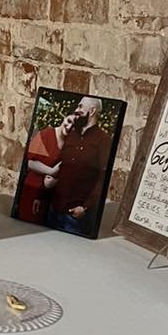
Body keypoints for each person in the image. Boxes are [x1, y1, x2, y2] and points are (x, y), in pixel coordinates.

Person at [46, 96, 112, 236]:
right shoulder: (72, 135)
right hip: (53, 209)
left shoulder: (104, 140)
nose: (77, 109)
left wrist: (85, 207)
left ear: (92, 111)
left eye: (81, 106)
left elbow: (103, 178)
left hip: (74, 217)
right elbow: (61, 164)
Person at [16, 110, 77, 224]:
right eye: (69, 121)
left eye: (74, 126)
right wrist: (51, 171)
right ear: (64, 117)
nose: (69, 127)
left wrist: (56, 181)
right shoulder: (45, 134)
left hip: (49, 196)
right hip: (32, 189)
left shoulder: (70, 144)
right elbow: (30, 162)